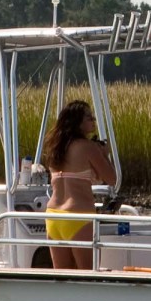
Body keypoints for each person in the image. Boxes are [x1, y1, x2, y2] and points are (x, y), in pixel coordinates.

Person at [43, 99, 115, 272]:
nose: (93, 121)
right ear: (78, 122)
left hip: (54, 216)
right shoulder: (88, 147)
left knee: (62, 276)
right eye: (89, 118)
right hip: (78, 215)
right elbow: (111, 178)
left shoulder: (55, 147)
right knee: (86, 274)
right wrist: (103, 154)